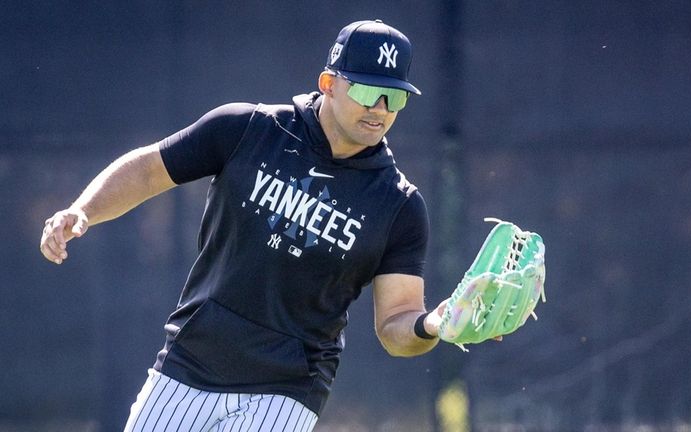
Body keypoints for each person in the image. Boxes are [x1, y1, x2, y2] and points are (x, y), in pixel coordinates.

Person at [39, 20, 481, 431]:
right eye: (367, 91)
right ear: (328, 83)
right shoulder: (247, 128)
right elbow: (148, 170)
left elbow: (396, 323)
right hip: (189, 362)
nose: (381, 109)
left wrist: (432, 325)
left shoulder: (399, 205)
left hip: (287, 390)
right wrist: (83, 210)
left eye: (396, 97)